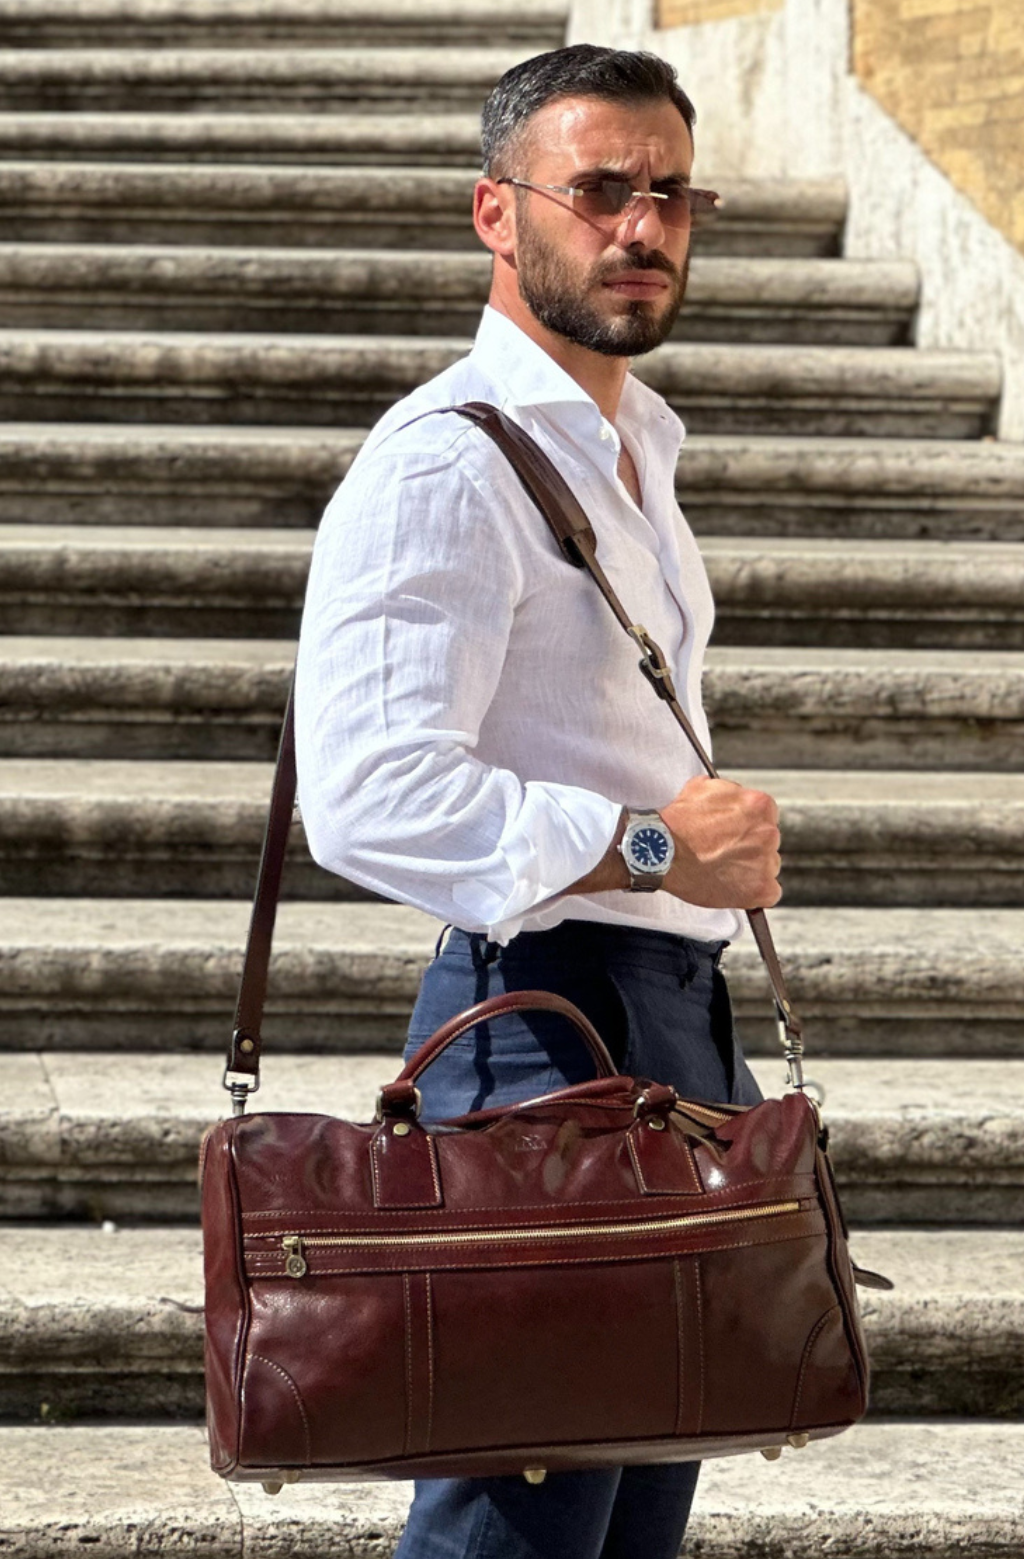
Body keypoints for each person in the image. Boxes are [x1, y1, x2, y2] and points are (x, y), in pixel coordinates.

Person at [294, 41, 782, 1559]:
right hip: (539, 1032)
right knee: (516, 1526)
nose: (644, 227)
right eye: (599, 190)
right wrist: (652, 844)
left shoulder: (637, 446)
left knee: (629, 1516)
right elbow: (367, 794)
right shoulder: (445, 467)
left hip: (664, 1028)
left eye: (672, 194)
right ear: (496, 213)